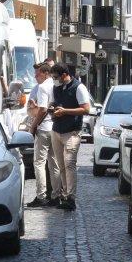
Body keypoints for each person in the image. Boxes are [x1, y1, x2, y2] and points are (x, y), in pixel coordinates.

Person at [49, 63, 93, 211]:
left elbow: (86, 109)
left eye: (55, 77)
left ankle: (71, 198)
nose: (54, 80)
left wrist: (65, 111)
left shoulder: (78, 87)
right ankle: (65, 196)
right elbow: (54, 104)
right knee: (61, 166)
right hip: (56, 131)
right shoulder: (56, 87)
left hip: (72, 132)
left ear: (64, 75)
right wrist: (52, 109)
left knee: (69, 164)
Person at [24, 63, 59, 208]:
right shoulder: (56, 86)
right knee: (54, 163)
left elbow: (43, 109)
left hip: (44, 129)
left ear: (45, 73)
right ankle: (56, 195)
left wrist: (33, 126)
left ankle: (41, 195)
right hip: (55, 128)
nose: (35, 76)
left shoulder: (43, 87)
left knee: (39, 163)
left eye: (37, 74)